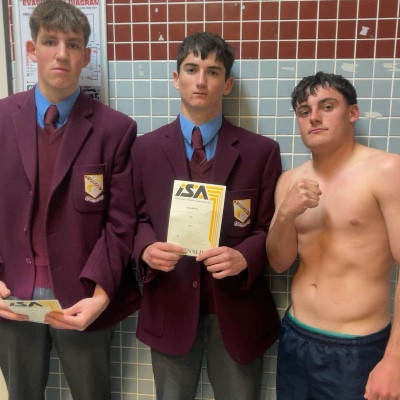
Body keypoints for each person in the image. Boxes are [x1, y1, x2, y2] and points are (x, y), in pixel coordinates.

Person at [0, 1, 140, 399]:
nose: (61, 53)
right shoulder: (1, 119)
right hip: (11, 294)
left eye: (73, 44)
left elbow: (121, 222)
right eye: (50, 42)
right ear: (32, 50)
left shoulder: (115, 130)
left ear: (85, 56)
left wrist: (102, 294)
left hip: (83, 295)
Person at [131, 32, 281, 400]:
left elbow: (268, 228)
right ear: (176, 78)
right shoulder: (143, 149)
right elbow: (133, 219)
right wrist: (146, 249)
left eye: (213, 72)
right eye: (191, 69)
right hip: (169, 307)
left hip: (238, 313)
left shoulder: (261, 152)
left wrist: (244, 256)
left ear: (227, 84)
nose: (201, 81)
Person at [266, 71, 400, 400]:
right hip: (296, 335)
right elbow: (279, 263)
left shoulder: (387, 172)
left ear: (352, 113)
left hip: (357, 347)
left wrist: (394, 360)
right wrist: (285, 214)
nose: (314, 117)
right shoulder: (288, 182)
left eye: (327, 106)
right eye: (304, 111)